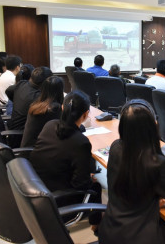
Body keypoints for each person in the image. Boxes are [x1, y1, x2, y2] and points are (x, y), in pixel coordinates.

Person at [99, 100, 165, 244]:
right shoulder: (156, 162)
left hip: (110, 232)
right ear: (152, 127)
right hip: (140, 236)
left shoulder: (116, 148)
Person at [29, 90, 102, 232]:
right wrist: (89, 178)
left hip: (37, 187)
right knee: (96, 186)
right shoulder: (81, 142)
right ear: (86, 114)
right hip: (57, 199)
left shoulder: (50, 125)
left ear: (63, 108)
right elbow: (80, 184)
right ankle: (97, 225)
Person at [21, 76, 64, 147]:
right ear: (60, 91)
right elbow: (64, 129)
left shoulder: (37, 103)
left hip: (28, 149)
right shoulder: (54, 108)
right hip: (38, 151)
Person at [7, 66, 53, 131]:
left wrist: (15, 100)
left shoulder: (21, 84)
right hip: (22, 134)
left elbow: (8, 90)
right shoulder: (38, 97)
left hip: (14, 127)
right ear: (46, 83)